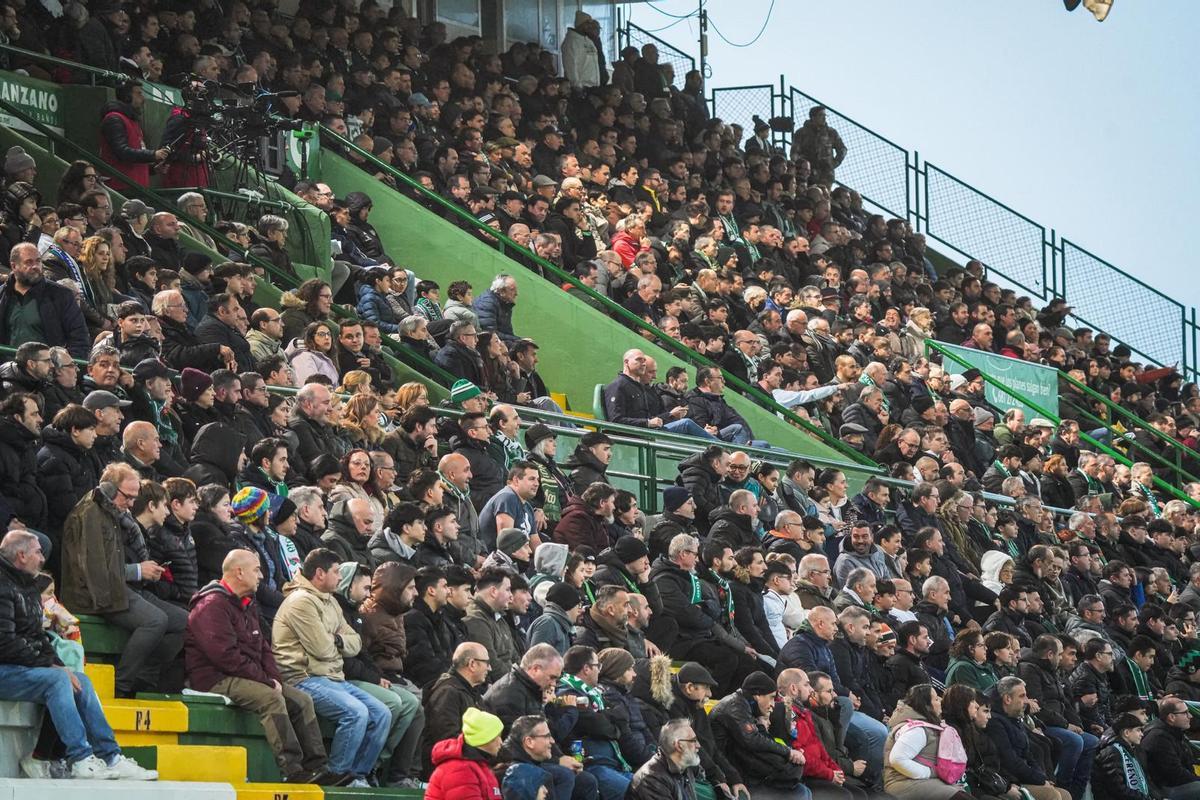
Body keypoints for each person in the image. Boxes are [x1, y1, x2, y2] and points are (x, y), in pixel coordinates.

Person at [0, 530, 159, 780]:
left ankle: (111, 757)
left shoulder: (29, 585)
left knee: (79, 680)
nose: (43, 558)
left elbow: (37, 637)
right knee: (58, 679)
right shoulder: (2, 585)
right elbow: (4, 643)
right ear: (21, 555)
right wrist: (52, 668)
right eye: (38, 552)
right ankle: (81, 757)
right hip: (5, 669)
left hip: (21, 667)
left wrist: (59, 665)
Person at [184, 549, 331, 784]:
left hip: (247, 674)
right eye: (256, 570)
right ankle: (292, 771)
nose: (261, 576)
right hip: (215, 678)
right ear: (239, 572)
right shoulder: (211, 605)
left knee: (302, 700)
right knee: (271, 698)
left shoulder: (246, 603)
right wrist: (266, 681)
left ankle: (318, 767)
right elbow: (225, 658)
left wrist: (274, 679)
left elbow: (263, 647)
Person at [61, 463, 186, 697]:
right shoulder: (90, 514)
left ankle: (143, 678)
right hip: (95, 592)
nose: (131, 504)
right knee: (156, 621)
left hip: (120, 586)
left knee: (185, 622)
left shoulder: (114, 513)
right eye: (127, 497)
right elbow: (97, 571)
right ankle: (121, 684)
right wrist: (138, 571)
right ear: (108, 488)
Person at [272, 548, 391, 787]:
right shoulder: (300, 602)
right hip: (305, 677)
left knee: (382, 714)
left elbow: (354, 642)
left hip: (333, 677)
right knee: (356, 713)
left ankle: (356, 775)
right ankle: (336, 776)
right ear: (319, 573)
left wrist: (337, 639)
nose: (340, 577)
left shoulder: (330, 601)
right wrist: (337, 641)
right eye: (336, 572)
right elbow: (322, 649)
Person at [710, 670, 811, 800]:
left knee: (803, 790)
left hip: (739, 768)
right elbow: (752, 740)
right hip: (731, 772)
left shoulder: (744, 705)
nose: (773, 705)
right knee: (800, 793)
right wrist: (789, 752)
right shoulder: (736, 706)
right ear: (757, 695)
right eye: (771, 698)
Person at [986, 677, 1070, 800]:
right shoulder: (995, 723)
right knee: (1052, 795)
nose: (1026, 701)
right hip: (1009, 781)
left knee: (1065, 794)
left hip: (1023, 778)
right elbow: (1010, 762)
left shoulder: (1015, 719)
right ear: (1007, 699)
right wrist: (1039, 780)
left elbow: (1028, 755)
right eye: (1022, 696)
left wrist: (1042, 778)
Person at [883, 683, 968, 800]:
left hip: (920, 781)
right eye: (936, 699)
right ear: (927, 706)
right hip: (903, 783)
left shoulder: (925, 725)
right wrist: (929, 772)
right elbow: (897, 759)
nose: (941, 701)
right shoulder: (916, 729)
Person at [422, 642, 489, 776]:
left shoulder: (471, 692)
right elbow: (446, 739)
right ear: (472, 664)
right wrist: (484, 752)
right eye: (486, 662)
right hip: (446, 771)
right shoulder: (448, 692)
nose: (489, 668)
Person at [426, 707, 504, 800]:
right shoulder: (459, 768)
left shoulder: (480, 765)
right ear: (485, 738)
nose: (501, 742)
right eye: (497, 736)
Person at [464, 567, 522, 683]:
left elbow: (515, 657)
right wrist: (519, 683)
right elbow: (491, 665)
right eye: (508, 590)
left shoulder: (500, 618)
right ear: (493, 591)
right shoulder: (475, 619)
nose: (511, 596)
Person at [628, 718, 703, 800]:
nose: (698, 745)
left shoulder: (685, 769)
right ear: (679, 745)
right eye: (693, 740)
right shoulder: (652, 779)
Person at [1142, 697, 1200, 800]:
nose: (1190, 716)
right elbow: (1175, 774)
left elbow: (1189, 760)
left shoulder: (1174, 731)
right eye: (1185, 713)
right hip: (1167, 788)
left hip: (1178, 782)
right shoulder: (1158, 738)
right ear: (1172, 717)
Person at [1090, 713, 1154, 800]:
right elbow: (1117, 789)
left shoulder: (1130, 749)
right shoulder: (1112, 752)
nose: (1142, 734)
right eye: (1138, 730)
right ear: (1127, 733)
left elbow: (1144, 781)